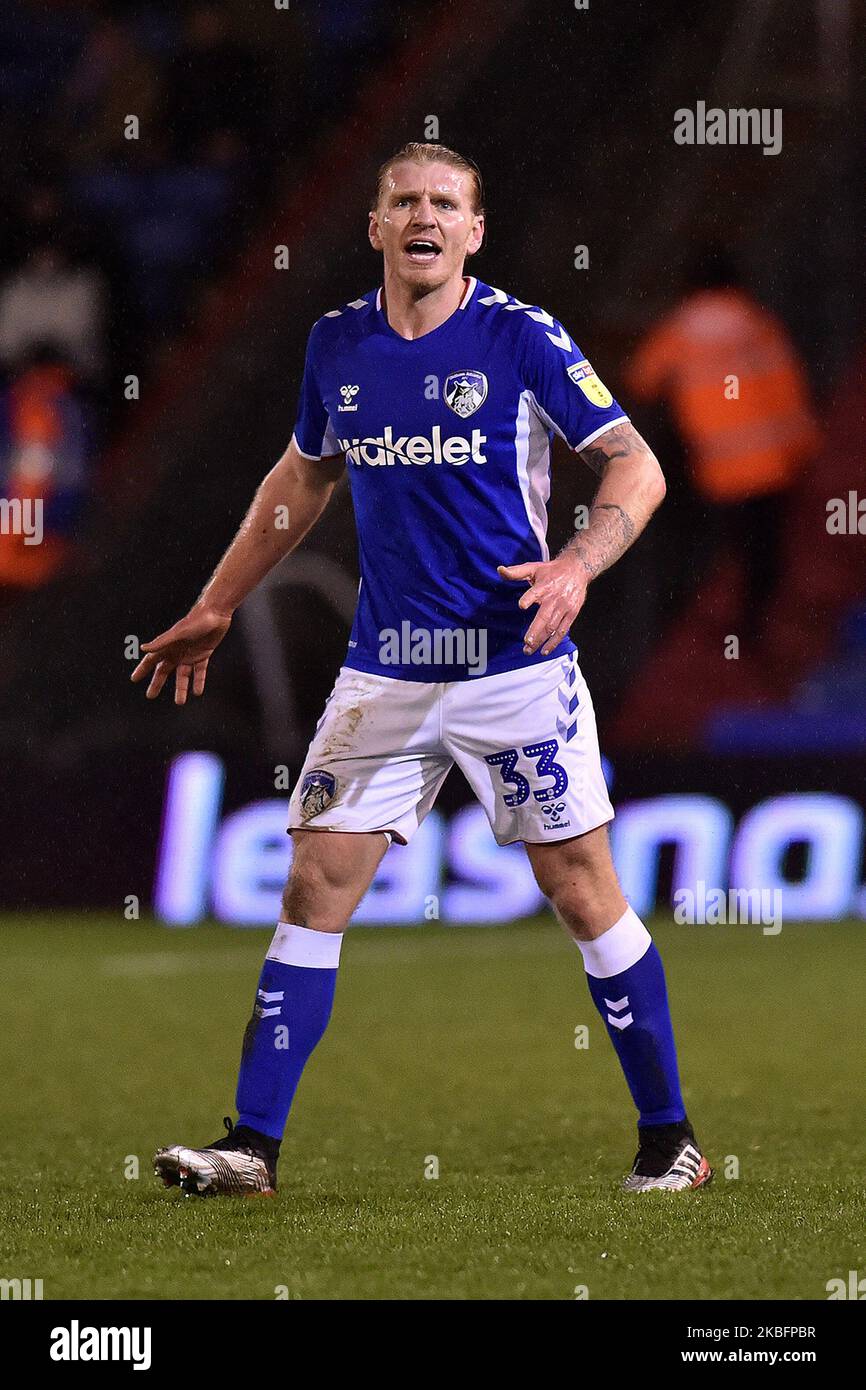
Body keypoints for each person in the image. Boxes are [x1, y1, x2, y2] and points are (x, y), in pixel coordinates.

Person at [132, 143, 712, 1197]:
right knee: (312, 882)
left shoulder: (521, 337)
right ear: (374, 226)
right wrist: (218, 601)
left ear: (473, 231)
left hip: (513, 667)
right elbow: (302, 476)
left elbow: (637, 462)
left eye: (445, 201)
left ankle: (669, 1138)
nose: (423, 215)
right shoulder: (336, 345)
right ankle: (249, 1149)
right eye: (403, 199)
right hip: (385, 671)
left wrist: (579, 562)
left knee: (581, 892)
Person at [626, 244, 820, 642]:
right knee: (763, 554)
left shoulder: (679, 330)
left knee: (715, 554)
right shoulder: (757, 324)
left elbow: (641, 380)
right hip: (771, 466)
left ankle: (711, 629)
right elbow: (789, 391)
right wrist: (804, 451)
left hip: (715, 469)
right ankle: (755, 629)